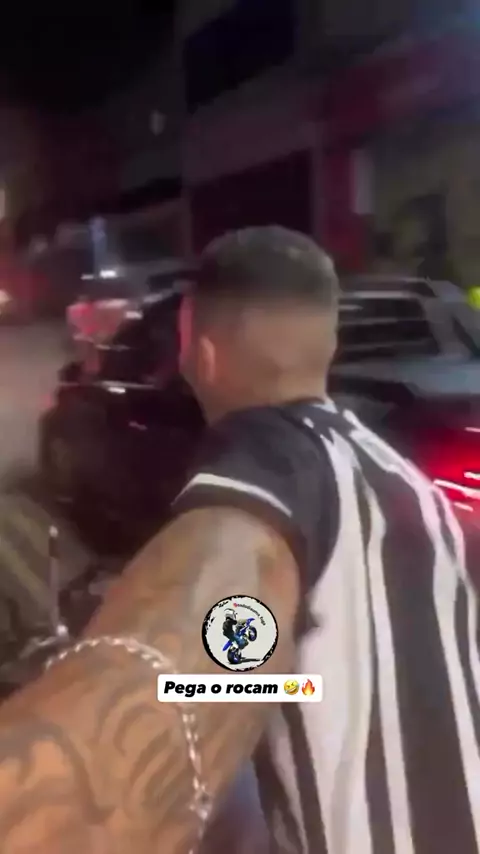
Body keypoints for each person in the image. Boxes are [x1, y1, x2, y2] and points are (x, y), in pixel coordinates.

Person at [0, 226, 479, 854]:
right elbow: (295, 680)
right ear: (330, 343)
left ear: (201, 354)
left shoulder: (260, 469)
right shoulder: (404, 478)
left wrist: (125, 675)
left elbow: (221, 600)